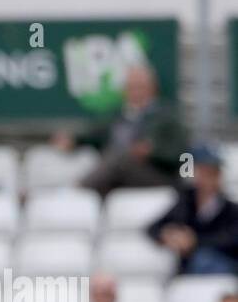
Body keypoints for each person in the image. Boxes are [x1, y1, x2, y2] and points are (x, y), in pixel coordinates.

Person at [56, 64, 186, 197]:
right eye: (131, 87)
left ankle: (76, 191)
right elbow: (95, 137)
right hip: (120, 174)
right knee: (103, 161)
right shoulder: (118, 117)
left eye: (140, 87)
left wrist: (153, 151)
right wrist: (73, 141)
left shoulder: (167, 117)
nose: (136, 91)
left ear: (152, 88)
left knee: (119, 158)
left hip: (157, 175)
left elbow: (182, 153)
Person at [147, 144, 238, 275]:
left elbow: (231, 239)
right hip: (188, 271)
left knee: (204, 260)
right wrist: (169, 234)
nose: (207, 179)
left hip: (222, 268)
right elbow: (154, 227)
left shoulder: (230, 209)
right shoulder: (185, 203)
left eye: (212, 173)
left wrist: (195, 240)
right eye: (203, 172)